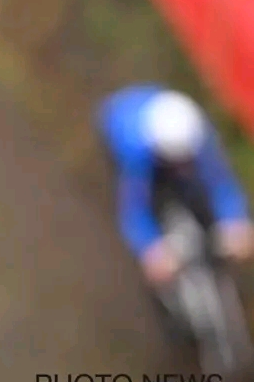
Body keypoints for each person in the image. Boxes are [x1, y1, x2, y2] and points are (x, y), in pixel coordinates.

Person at [96, 85, 254, 292]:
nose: (182, 168)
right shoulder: (134, 152)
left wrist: (234, 219)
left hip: (157, 113)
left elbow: (220, 179)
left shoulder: (198, 134)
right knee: (150, 196)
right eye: (177, 163)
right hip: (119, 125)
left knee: (195, 192)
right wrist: (149, 247)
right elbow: (133, 207)